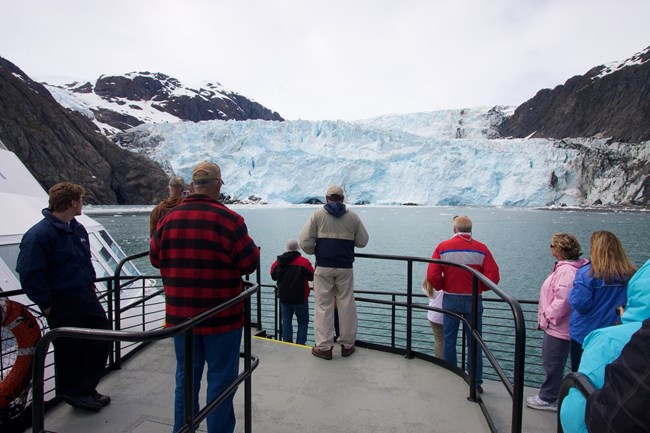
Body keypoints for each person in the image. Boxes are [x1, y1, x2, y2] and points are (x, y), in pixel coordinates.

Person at [149, 161, 259, 433]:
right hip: (221, 318)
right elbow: (248, 263)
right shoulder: (230, 221)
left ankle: (182, 429)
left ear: (191, 186)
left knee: (185, 378)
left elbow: (154, 258)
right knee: (222, 380)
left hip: (180, 318)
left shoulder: (167, 220)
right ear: (218, 186)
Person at [16, 182, 111, 412]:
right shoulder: (40, 234)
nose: (82, 204)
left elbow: (83, 261)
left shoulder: (75, 228)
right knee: (70, 349)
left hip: (84, 295)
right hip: (63, 301)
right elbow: (29, 272)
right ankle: (74, 393)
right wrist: (47, 304)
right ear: (72, 202)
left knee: (102, 337)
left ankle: (86, 388)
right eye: (80, 200)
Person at [560, 258, 649, 433]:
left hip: (584, 330)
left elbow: (574, 415)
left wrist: (569, 295)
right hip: (602, 323)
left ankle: (548, 397)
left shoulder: (611, 341)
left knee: (577, 380)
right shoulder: (623, 271)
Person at [426, 215, 500, 393]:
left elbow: (432, 275)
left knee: (449, 341)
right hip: (473, 300)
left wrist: (444, 286)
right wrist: (477, 288)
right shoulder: (481, 249)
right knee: (475, 342)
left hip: (450, 298)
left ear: (454, 229)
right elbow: (494, 278)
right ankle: (475, 383)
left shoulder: (443, 247)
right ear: (471, 230)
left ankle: (451, 379)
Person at [299, 185, 369, 360]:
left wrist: (313, 251)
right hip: (345, 267)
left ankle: (324, 347)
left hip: (323, 266)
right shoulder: (352, 217)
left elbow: (304, 240)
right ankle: (347, 345)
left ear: (327, 198)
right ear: (343, 199)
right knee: (346, 303)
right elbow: (362, 241)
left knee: (323, 305)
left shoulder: (317, 215)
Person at [525, 233, 588, 411]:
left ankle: (549, 398)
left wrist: (547, 317)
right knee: (558, 362)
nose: (550, 249)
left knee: (552, 362)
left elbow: (563, 299)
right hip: (566, 326)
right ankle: (561, 397)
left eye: (552, 246)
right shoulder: (575, 267)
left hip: (559, 327)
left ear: (559, 250)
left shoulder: (567, 271)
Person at [568, 230, 636, 371]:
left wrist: (570, 294)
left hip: (585, 334)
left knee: (582, 376)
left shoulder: (587, 273)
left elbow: (581, 304)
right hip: (617, 334)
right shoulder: (631, 273)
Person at [270, 239, 314, 345]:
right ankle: (300, 344)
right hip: (300, 299)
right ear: (297, 249)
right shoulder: (304, 262)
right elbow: (312, 276)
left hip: (284, 298)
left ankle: (287, 344)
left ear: (286, 249)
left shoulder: (277, 262)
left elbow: (273, 276)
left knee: (286, 321)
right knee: (303, 322)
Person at [421, 279, 444, 358]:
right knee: (448, 341)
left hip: (433, 314)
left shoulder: (430, 278)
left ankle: (440, 362)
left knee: (438, 340)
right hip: (446, 314)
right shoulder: (447, 277)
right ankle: (447, 364)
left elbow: (425, 290)